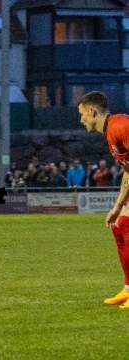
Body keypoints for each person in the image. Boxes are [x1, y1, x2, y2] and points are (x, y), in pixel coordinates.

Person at [77, 90, 129, 309]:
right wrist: (118, 206)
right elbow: (128, 171)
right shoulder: (111, 134)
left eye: (82, 114)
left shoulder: (121, 126)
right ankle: (128, 288)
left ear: (92, 111)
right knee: (119, 225)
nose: (81, 120)